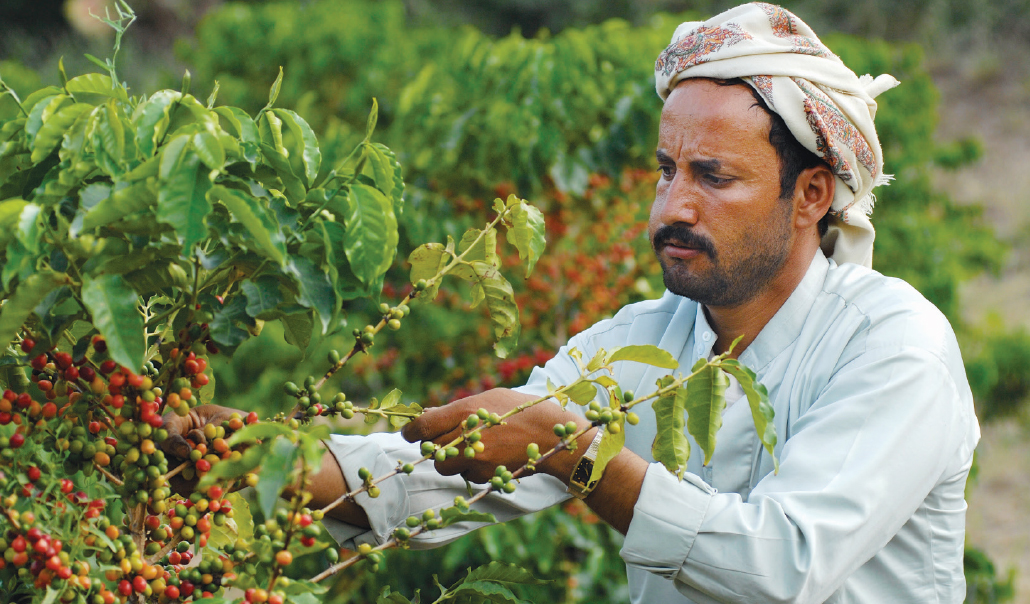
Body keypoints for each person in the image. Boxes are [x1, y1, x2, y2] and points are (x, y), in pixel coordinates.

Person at [164, 4, 980, 602]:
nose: (672, 208)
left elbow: (784, 564)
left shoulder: (892, 345)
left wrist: (576, 453)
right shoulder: (640, 344)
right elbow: (440, 477)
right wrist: (248, 453)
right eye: (667, 170)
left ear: (811, 195)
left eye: (714, 177)